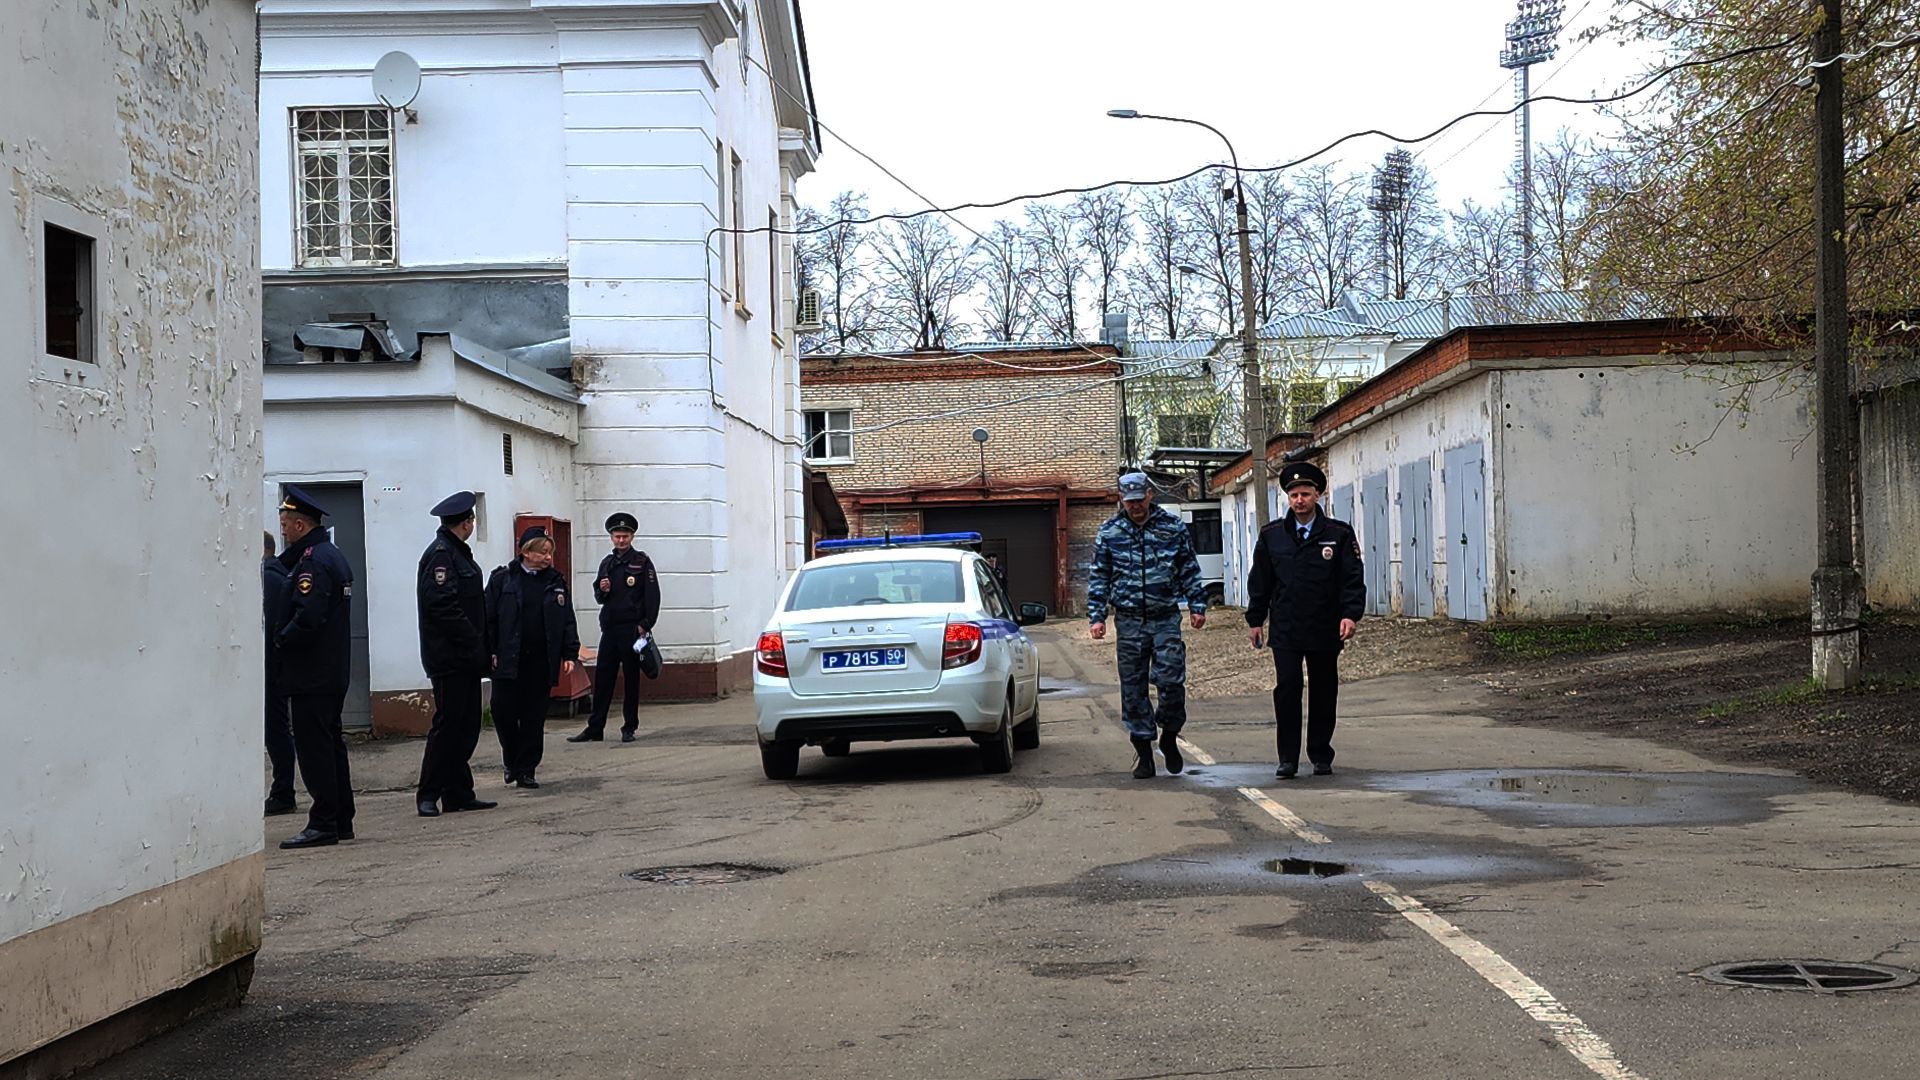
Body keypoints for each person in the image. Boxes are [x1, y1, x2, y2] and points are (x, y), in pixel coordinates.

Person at [1245, 461, 1366, 779]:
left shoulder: (1338, 534)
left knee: (1324, 689)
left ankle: (1320, 754)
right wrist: (1255, 620)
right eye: (1294, 494)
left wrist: (1350, 615)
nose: (1299, 500)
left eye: (1305, 494)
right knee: (1287, 688)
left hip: (1325, 625)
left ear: (1318, 494)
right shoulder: (1272, 535)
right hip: (1286, 626)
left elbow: (1351, 579)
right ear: (1287, 497)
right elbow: (1260, 581)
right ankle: (1287, 758)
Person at [1086, 472, 1207, 780]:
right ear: (1121, 500)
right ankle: (1143, 752)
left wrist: (1197, 604)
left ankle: (1169, 733)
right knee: (1133, 688)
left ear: (1150, 495)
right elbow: (1100, 576)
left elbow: (1189, 567)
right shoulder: (1110, 532)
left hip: (1165, 616)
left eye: (1140, 500)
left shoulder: (1172, 527)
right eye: (1129, 502)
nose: (1135, 506)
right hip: (1128, 620)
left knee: (1170, 680)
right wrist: (1097, 616)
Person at [270, 486, 356, 849]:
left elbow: (308, 616)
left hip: (312, 672)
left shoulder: (312, 562)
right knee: (330, 743)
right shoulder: (328, 554)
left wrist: (281, 640)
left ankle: (323, 822)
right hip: (328, 670)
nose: (283, 531)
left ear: (301, 524)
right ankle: (339, 818)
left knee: (315, 747)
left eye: (286, 524)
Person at [414, 491, 499, 817]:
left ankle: (458, 792)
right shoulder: (441, 556)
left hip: (464, 657)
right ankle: (428, 793)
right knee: (449, 726)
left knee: (465, 726)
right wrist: (474, 640)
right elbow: (442, 607)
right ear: (466, 523)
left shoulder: (456, 554)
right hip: (449, 657)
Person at [485, 526, 580, 788]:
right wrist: (490, 651)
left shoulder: (555, 582)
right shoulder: (503, 580)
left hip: (540, 660)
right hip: (508, 658)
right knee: (503, 712)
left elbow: (567, 620)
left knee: (533, 717)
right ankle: (511, 758)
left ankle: (526, 770)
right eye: (542, 552)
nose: (548, 557)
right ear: (526, 552)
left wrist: (570, 652)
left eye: (550, 553)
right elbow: (488, 618)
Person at [569, 512, 662, 743]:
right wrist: (602, 589)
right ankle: (595, 728)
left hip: (633, 630)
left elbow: (652, 597)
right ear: (611, 537)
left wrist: (645, 624)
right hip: (610, 629)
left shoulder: (642, 562)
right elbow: (600, 597)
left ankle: (629, 727)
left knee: (631, 679)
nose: (621, 540)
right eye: (617, 536)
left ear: (632, 536)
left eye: (625, 536)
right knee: (603, 679)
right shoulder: (607, 563)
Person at [262, 531, 297, 816]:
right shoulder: (278, 576)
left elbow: (273, 625)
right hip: (272, 664)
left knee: (276, 729)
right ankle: (282, 790)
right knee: (276, 728)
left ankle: (283, 792)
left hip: (270, 665)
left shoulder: (270, 580)